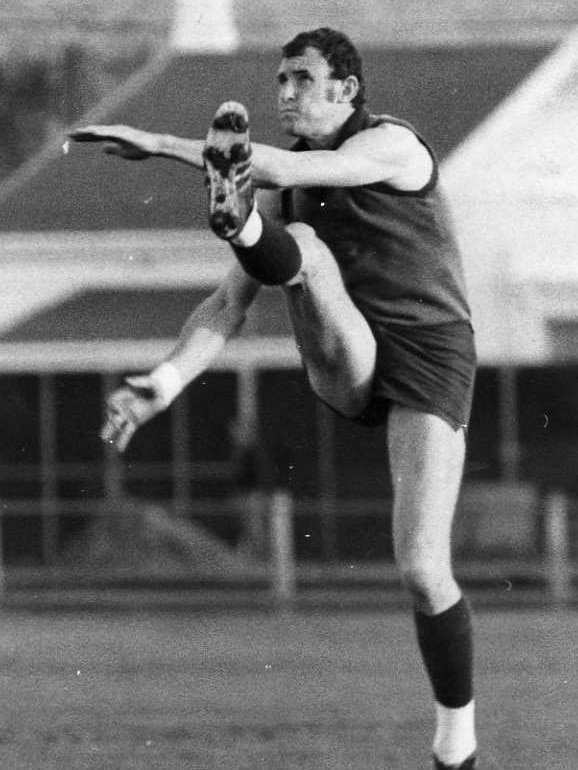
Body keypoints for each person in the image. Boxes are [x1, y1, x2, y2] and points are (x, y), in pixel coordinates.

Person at [71, 27, 478, 770]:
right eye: (279, 80)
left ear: (345, 90)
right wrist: (158, 386)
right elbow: (224, 311)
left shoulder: (392, 146)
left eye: (300, 79)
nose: (284, 93)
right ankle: (242, 221)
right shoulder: (292, 186)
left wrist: (161, 142)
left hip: (430, 353)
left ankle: (458, 742)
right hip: (348, 348)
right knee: (306, 253)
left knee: (422, 569)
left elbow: (296, 160)